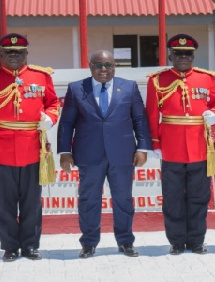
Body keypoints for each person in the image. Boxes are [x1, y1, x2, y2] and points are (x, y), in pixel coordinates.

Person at [57, 50, 152, 258]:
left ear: (114, 66)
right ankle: (89, 243)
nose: (103, 70)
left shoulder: (128, 87)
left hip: (122, 154)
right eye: (98, 65)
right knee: (88, 199)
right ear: (90, 66)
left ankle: (126, 241)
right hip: (89, 154)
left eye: (108, 65)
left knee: (123, 200)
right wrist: (65, 152)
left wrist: (142, 148)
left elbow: (140, 120)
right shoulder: (76, 88)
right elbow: (66, 123)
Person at [0, 33, 60, 262]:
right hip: (1, 146)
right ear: (0, 53)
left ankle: (30, 245)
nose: (14, 55)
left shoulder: (41, 76)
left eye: (19, 52)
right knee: (5, 202)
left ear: (26, 54)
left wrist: (50, 118)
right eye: (9, 52)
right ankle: (10, 246)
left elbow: (53, 103)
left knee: (32, 200)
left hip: (33, 145)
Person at [146, 34, 215, 255]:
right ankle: (177, 240)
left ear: (193, 56)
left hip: (200, 146)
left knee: (199, 197)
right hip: (171, 148)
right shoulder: (157, 80)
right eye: (178, 53)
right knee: (173, 198)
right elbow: (152, 114)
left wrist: (214, 115)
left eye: (187, 54)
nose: (183, 57)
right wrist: (155, 143)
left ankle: (197, 240)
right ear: (170, 55)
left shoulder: (206, 79)